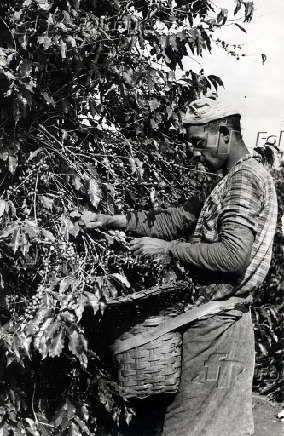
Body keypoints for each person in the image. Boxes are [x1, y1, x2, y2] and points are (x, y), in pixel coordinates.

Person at [84, 95, 278, 436]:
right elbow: (170, 221)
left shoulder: (243, 181)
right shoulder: (225, 180)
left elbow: (234, 256)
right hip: (212, 323)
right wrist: (107, 219)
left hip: (220, 327)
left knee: (192, 428)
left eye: (198, 143)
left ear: (224, 134)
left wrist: (170, 250)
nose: (194, 152)